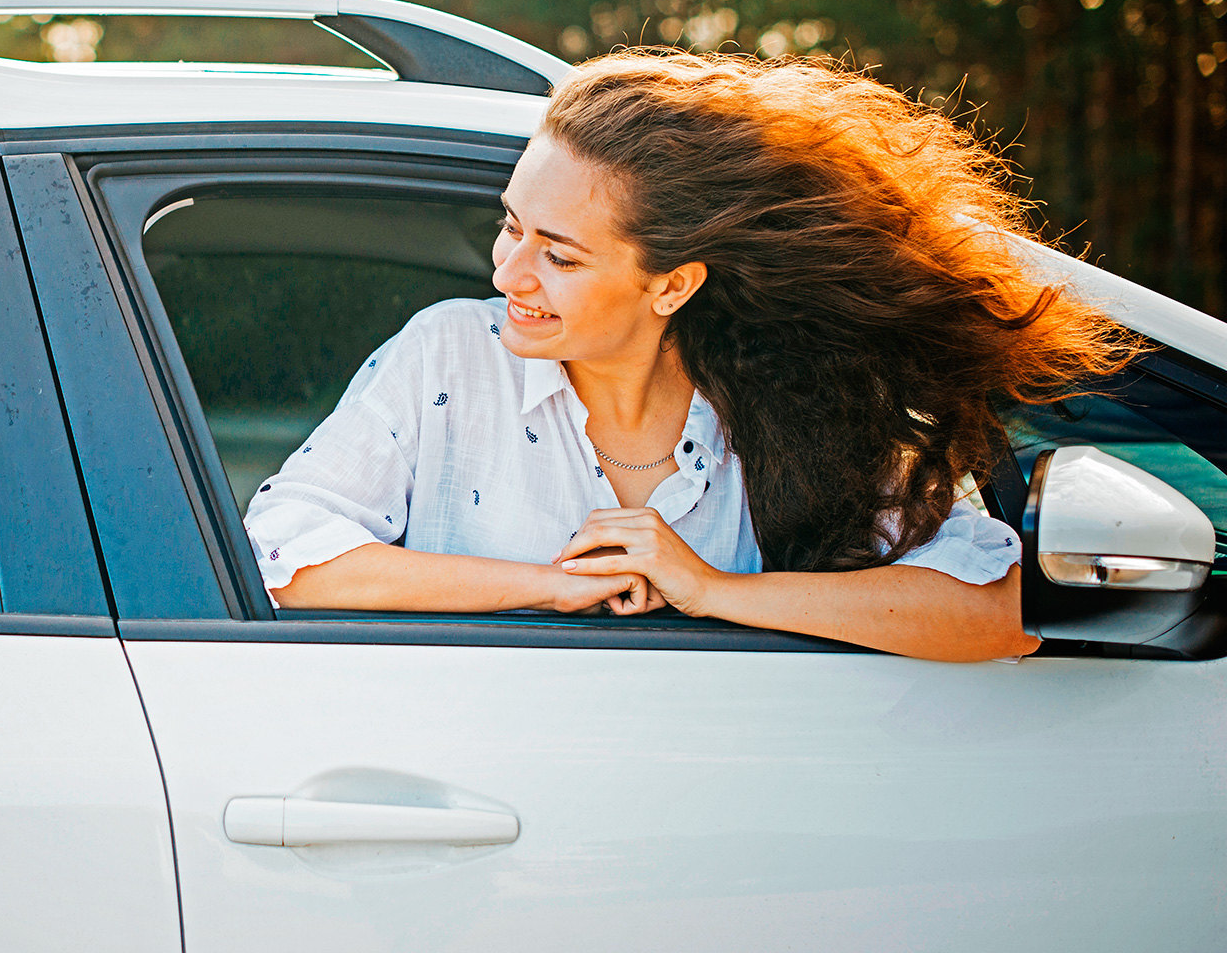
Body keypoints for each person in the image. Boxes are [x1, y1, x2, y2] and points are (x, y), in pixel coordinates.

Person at [243, 50, 1136, 662]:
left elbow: (984, 610)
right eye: (511, 225)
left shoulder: (792, 397)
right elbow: (287, 555)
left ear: (672, 285)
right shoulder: (446, 358)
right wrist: (557, 588)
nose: (509, 270)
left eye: (559, 254)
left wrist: (705, 589)